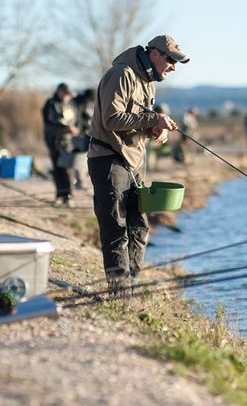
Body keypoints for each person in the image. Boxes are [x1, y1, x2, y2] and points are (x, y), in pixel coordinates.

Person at [87, 34, 187, 296]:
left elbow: (135, 121)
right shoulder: (122, 74)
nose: (174, 67)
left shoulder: (149, 82)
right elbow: (111, 119)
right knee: (116, 229)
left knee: (140, 226)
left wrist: (155, 129)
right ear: (154, 53)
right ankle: (121, 294)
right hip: (108, 159)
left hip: (131, 163)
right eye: (171, 60)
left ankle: (131, 287)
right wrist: (154, 118)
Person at [42, 83, 78, 206]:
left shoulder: (70, 104)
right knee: (57, 168)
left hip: (67, 142)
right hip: (53, 141)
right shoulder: (51, 104)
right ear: (60, 91)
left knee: (68, 168)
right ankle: (60, 195)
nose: (67, 96)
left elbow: (76, 120)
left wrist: (75, 129)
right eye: (66, 93)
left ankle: (69, 196)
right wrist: (66, 128)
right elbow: (49, 122)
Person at [71, 88, 96, 189]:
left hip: (83, 135)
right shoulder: (80, 104)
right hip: (80, 135)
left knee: (81, 159)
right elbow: (81, 120)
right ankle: (79, 182)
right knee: (80, 159)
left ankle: (79, 181)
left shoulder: (81, 103)